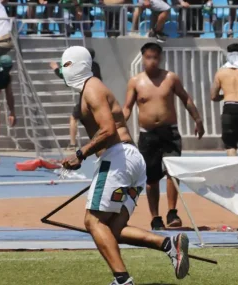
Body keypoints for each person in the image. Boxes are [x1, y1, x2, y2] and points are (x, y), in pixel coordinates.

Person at [60, 46, 190, 285]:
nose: (63, 70)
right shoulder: (89, 88)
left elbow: (108, 130)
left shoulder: (92, 88)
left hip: (118, 158)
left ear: (79, 64)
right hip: (130, 161)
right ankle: (169, 244)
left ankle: (122, 280)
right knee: (113, 229)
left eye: (66, 65)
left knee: (93, 221)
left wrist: (81, 154)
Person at [123, 42, 205, 230]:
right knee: (151, 179)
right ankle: (155, 217)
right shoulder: (136, 81)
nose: (152, 61)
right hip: (148, 135)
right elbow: (127, 107)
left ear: (160, 58)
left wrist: (198, 119)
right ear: (143, 58)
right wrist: (119, 127)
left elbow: (186, 98)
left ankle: (172, 212)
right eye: (148, 57)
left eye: (155, 57)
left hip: (170, 132)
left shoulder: (170, 78)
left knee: (172, 172)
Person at [49, 48, 102, 150]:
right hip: (97, 97)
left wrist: (56, 68)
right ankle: (98, 141)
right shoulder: (95, 66)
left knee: (74, 118)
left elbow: (64, 74)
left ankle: (73, 144)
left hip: (86, 97)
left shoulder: (83, 66)